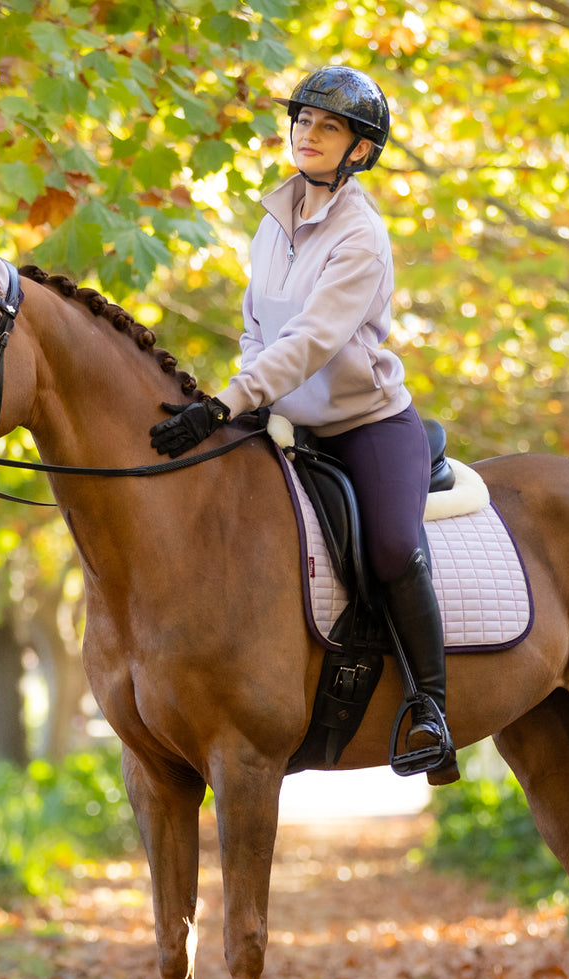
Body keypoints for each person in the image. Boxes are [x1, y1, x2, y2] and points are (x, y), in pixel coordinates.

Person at [149, 65, 457, 784]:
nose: (307, 135)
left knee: (387, 546)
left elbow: (314, 339)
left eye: (328, 127)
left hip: (364, 424)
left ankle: (431, 711)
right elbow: (259, 329)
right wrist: (246, 399)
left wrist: (226, 402)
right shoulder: (271, 219)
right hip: (282, 415)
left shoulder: (363, 237)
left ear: (360, 151)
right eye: (302, 122)